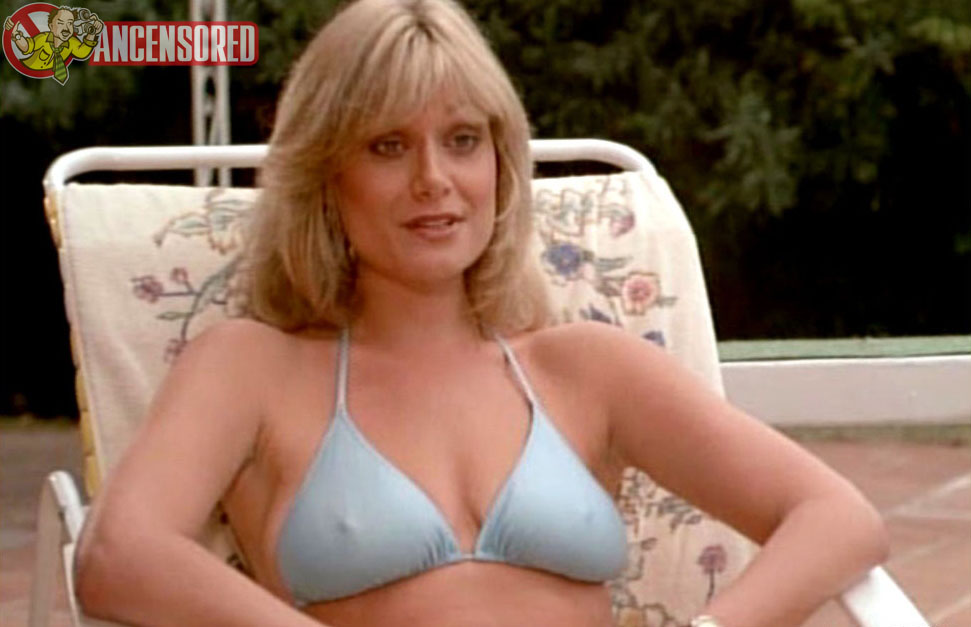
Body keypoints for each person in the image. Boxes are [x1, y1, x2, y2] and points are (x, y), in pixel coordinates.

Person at [73, 0, 889, 625]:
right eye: (388, 146)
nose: (433, 179)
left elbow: (836, 516)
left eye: (462, 140)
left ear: (500, 163)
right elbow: (115, 556)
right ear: (325, 176)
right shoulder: (250, 365)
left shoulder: (585, 367)